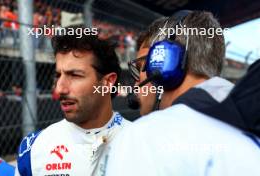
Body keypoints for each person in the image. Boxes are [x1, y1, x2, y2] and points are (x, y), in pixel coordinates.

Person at [104, 10, 260, 176]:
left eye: (142, 66)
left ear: (163, 63)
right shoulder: (249, 119)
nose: (136, 82)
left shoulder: (146, 136)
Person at [15, 26, 130, 176]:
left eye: (75, 75)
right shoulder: (34, 147)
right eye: (58, 75)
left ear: (108, 82)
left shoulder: (143, 143)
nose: (60, 89)